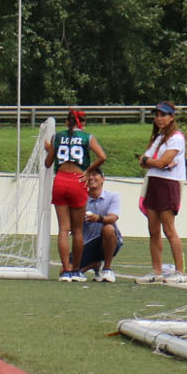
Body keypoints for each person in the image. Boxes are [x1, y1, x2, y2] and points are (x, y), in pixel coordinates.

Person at [44, 107, 107, 282]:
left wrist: (50, 149)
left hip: (60, 180)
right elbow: (102, 156)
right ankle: (76, 270)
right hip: (77, 181)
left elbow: (48, 163)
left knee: (63, 229)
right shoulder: (87, 138)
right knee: (77, 230)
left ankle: (65, 270)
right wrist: (89, 170)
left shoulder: (57, 137)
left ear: (66, 122)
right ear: (83, 123)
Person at [136, 101, 187, 285]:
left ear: (172, 117)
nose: (159, 118)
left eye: (163, 115)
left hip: (168, 183)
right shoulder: (159, 138)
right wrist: (149, 160)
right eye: (157, 115)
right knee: (153, 229)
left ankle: (180, 272)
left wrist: (148, 160)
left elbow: (161, 162)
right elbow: (146, 160)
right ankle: (157, 271)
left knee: (169, 228)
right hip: (154, 183)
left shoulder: (177, 138)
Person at [79, 167, 122, 283]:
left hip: (107, 240)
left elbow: (113, 217)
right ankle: (96, 264)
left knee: (108, 228)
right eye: (89, 175)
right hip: (87, 244)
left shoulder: (113, 196)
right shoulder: (80, 198)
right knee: (64, 271)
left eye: (95, 174)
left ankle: (107, 269)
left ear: (103, 179)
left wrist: (98, 218)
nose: (92, 178)